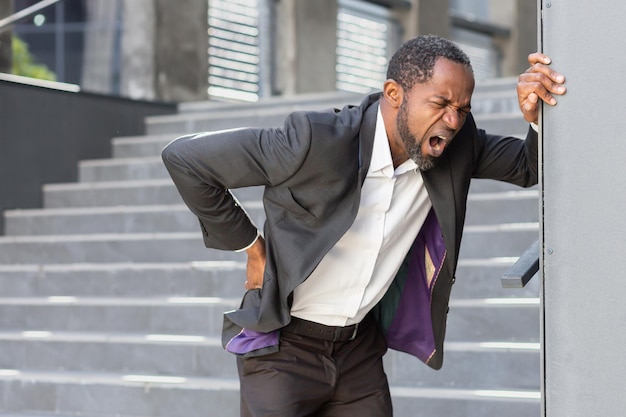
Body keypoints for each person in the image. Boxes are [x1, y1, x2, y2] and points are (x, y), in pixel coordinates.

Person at [162, 34, 566, 417]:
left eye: (463, 108)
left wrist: (536, 117)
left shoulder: (457, 146)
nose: (454, 120)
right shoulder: (312, 140)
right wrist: (250, 246)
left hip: (359, 353)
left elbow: (528, 165)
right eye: (441, 103)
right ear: (394, 94)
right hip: (283, 349)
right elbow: (186, 158)